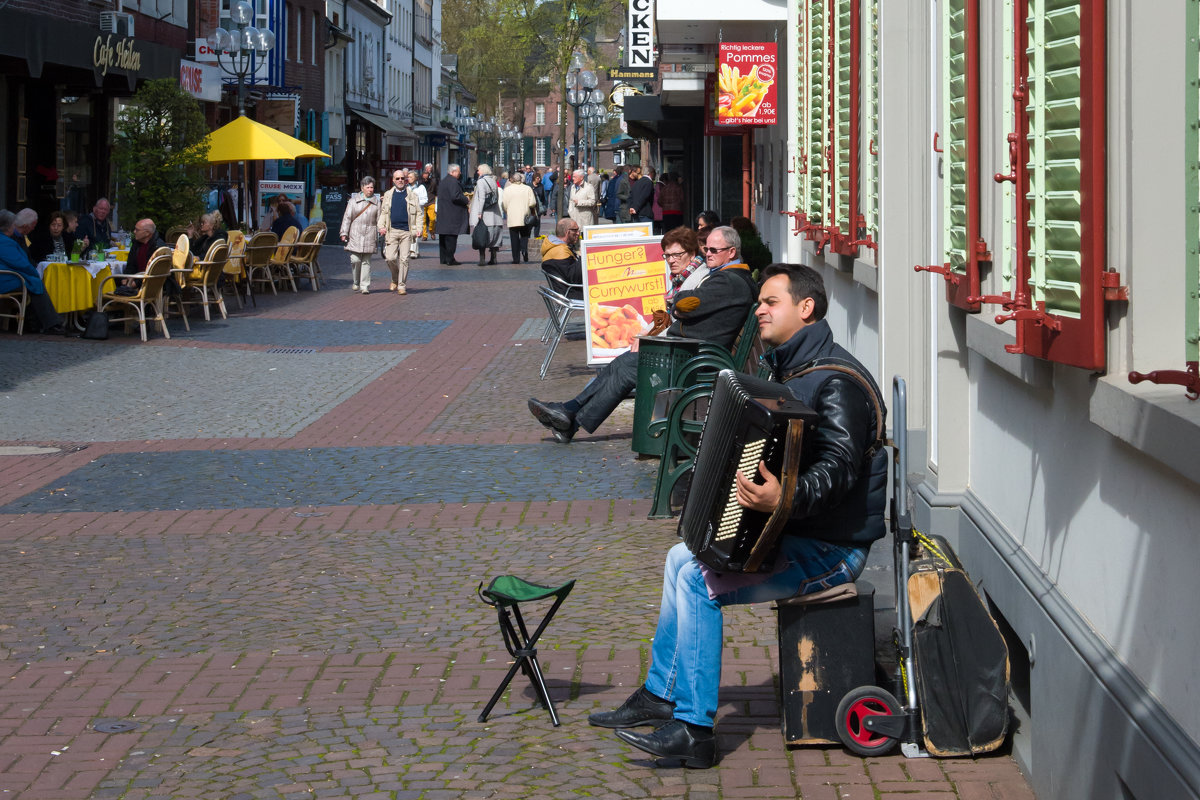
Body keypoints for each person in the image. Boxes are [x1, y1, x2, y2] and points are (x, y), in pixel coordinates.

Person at [589, 263, 888, 769]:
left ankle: (694, 729)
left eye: (771, 301)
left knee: (696, 580)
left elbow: (838, 470)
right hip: (796, 536)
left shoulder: (838, 383)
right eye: (761, 301)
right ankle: (661, 693)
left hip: (832, 552)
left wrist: (784, 499)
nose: (760, 308)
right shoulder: (786, 371)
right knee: (678, 558)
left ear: (806, 309)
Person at [528, 225, 757, 443]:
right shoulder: (725, 276)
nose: (708, 254)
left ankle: (569, 417)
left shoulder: (728, 280)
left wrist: (678, 304)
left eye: (714, 250)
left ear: (732, 252)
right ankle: (569, 415)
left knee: (627, 367)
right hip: (692, 351)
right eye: (706, 249)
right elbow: (685, 305)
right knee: (624, 363)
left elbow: (688, 303)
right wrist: (678, 307)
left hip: (697, 358)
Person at [0, 209, 68, 335]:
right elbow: (21, 263)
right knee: (36, 283)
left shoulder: (7, 240)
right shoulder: (5, 242)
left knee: (34, 282)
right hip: (6, 279)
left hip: (8, 275)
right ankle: (51, 324)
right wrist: (35, 273)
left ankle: (40, 323)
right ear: (9, 226)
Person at [379, 168, 421, 295]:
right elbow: (383, 213)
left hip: (407, 232)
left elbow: (419, 213)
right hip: (391, 231)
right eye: (397, 178)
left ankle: (402, 285)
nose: (400, 180)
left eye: (402, 178)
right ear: (393, 180)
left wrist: (419, 229)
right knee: (390, 258)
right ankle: (395, 278)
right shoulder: (388, 195)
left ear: (406, 180)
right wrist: (381, 226)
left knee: (404, 259)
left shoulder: (412, 195)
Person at [340, 176, 381, 294]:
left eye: (372, 187)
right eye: (368, 187)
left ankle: (365, 286)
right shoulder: (353, 201)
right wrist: (344, 233)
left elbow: (380, 219)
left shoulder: (377, 202)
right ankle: (356, 281)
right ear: (362, 188)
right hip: (355, 233)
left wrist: (382, 231)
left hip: (370, 233)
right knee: (355, 259)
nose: (370, 190)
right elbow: (347, 218)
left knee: (366, 261)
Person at [469, 164, 505, 266]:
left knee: (482, 236)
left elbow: (482, 198)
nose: (477, 172)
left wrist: (479, 212)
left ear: (483, 170)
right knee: (494, 237)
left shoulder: (481, 181)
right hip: (495, 213)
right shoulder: (493, 180)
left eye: (479, 170)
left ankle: (482, 259)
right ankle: (493, 258)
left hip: (486, 214)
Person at [436, 164, 469, 265]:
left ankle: (443, 258)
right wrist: (466, 199)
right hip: (452, 215)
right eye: (458, 171)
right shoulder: (453, 181)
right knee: (451, 238)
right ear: (453, 172)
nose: (460, 173)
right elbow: (455, 196)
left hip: (443, 214)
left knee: (443, 239)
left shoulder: (444, 181)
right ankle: (450, 259)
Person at [502, 170, 538, 263]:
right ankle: (524, 251)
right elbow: (533, 203)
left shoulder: (507, 190)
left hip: (513, 217)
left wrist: (507, 211)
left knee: (514, 239)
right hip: (525, 217)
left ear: (512, 180)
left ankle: (516, 259)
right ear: (521, 179)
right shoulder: (527, 188)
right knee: (524, 236)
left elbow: (504, 204)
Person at [540, 217, 582, 297]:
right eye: (575, 230)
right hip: (571, 293)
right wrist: (582, 256)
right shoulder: (560, 252)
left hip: (567, 291)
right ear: (567, 232)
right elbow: (574, 278)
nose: (578, 233)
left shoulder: (557, 247)